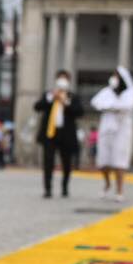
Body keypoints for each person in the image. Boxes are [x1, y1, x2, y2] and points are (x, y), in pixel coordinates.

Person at [89, 66, 133, 202]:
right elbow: (95, 102)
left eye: (116, 76)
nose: (114, 79)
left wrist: (109, 106)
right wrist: (113, 106)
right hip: (106, 128)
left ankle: (119, 189)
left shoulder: (131, 92)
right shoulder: (107, 91)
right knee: (103, 161)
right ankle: (107, 183)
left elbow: (127, 106)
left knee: (119, 160)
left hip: (122, 130)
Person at [33, 70, 83, 198]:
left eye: (64, 78)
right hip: (50, 133)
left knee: (66, 162)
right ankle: (48, 189)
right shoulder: (49, 95)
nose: (62, 81)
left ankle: (65, 187)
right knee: (48, 161)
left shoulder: (72, 96)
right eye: (60, 78)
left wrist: (65, 102)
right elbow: (37, 107)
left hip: (66, 134)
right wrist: (51, 98)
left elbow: (79, 112)